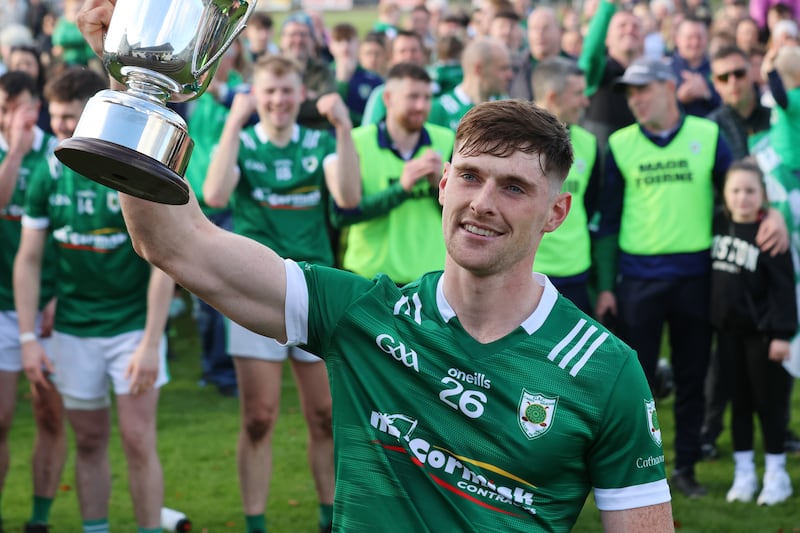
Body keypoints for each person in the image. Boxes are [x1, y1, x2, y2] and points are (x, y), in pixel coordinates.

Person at [79, 5, 675, 532]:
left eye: (514, 187)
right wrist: (136, 90)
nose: (483, 203)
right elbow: (178, 245)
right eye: (469, 176)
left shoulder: (605, 371)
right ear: (443, 184)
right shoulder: (364, 315)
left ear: (557, 213)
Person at [594, 56, 787, 499]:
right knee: (635, 384)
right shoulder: (621, 143)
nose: (635, 100)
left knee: (692, 375)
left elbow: (741, 189)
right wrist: (607, 285)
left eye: (643, 90)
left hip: (697, 278)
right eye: (629, 93)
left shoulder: (707, 134)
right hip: (638, 278)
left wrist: (771, 211)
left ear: (668, 88)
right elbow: (607, 220)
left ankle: (684, 467)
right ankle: (636, 470)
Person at [204, 54, 361, 533]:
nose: (278, 100)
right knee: (258, 418)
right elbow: (213, 196)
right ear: (257, 95)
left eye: (287, 90)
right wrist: (233, 122)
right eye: (269, 91)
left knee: (323, 415)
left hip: (314, 294)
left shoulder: (318, 142)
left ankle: (327, 519)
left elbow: (349, 197)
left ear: (301, 94)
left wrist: (345, 127)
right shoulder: (245, 142)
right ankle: (256, 523)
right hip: (255, 293)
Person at [14, 67, 174, 533]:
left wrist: (151, 341)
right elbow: (28, 260)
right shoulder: (47, 171)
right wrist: (27, 336)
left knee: (139, 441)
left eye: (70, 116)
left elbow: (163, 261)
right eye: (56, 116)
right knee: (87, 442)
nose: (61, 126)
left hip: (130, 329)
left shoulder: (128, 164)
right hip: (74, 331)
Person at [0, 70, 65, 533]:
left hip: (51, 307)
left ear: (35, 106)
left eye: (16, 107)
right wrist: (15, 152)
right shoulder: (13, 151)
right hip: (3, 304)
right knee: (0, 420)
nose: (9, 117)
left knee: (49, 413)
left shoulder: (59, 151)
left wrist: (59, 294)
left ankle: (40, 518)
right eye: (1, 109)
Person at [710, 159, 796, 505]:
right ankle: (743, 472)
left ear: (763, 195)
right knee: (739, 405)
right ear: (725, 195)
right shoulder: (718, 223)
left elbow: (784, 288)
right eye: (736, 191)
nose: (742, 197)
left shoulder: (770, 234)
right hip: (728, 336)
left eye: (750, 191)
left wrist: (781, 334)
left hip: (763, 339)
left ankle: (777, 474)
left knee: (769, 406)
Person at [333, 63, 453, 286]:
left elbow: (459, 214)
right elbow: (342, 216)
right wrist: (400, 189)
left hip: (430, 280)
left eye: (427, 98)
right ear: (388, 98)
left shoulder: (446, 140)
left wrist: (440, 185)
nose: (421, 106)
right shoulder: (357, 142)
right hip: (369, 277)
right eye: (413, 97)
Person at [531, 57, 600, 316]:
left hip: (575, 272)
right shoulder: (513, 145)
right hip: (526, 273)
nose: (586, 101)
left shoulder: (589, 143)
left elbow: (591, 204)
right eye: (578, 94)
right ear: (552, 96)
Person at [578, 0, 645, 156]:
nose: (629, 30)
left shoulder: (650, 77)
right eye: (622, 26)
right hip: (601, 161)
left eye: (636, 27)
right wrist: (607, 6)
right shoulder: (598, 72)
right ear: (606, 39)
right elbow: (591, 54)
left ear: (643, 38)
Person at [428, 37, 512, 131]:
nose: (510, 75)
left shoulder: (505, 106)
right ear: (478, 69)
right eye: (503, 69)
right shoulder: (438, 110)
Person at [278, 12, 336, 130]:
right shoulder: (268, 70)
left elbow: (327, 108)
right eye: (293, 34)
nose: (298, 40)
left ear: (312, 40)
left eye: (304, 35)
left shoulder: (323, 70)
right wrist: (306, 97)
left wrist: (287, 102)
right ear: (282, 40)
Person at [361, 30, 429, 125]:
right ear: (392, 57)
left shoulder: (438, 90)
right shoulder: (381, 94)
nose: (409, 56)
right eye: (402, 51)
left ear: (423, 54)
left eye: (414, 50)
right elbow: (369, 131)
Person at [329, 23, 384, 127]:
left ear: (358, 44)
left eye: (349, 40)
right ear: (331, 46)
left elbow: (378, 118)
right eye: (339, 41)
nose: (345, 46)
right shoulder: (323, 76)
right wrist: (342, 82)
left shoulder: (373, 79)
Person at [508, 6, 567, 100]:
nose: (539, 34)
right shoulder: (513, 68)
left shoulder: (575, 67)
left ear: (559, 31)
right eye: (534, 29)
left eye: (545, 28)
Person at [671, 17, 722, 117]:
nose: (695, 43)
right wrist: (678, 99)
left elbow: (730, 106)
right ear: (677, 39)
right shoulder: (665, 71)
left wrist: (707, 93)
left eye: (699, 37)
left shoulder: (719, 67)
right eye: (689, 37)